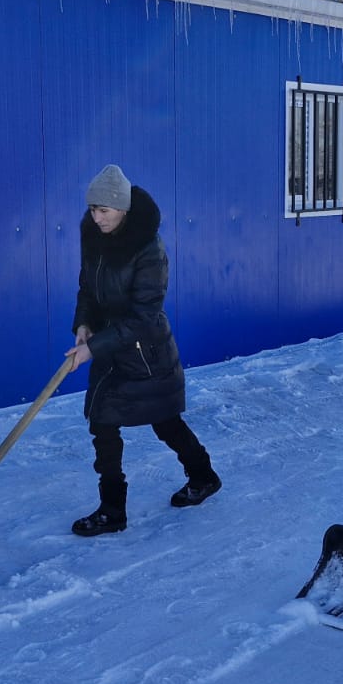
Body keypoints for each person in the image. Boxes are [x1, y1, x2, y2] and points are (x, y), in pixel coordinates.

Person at [67, 164, 221, 536]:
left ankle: (203, 476)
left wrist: (95, 347)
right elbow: (87, 289)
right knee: (102, 423)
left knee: (165, 422)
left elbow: (144, 315)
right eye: (92, 209)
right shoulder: (94, 237)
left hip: (144, 353)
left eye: (104, 210)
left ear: (122, 208)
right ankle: (111, 510)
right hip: (108, 348)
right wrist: (84, 325)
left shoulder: (149, 249)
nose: (96, 217)